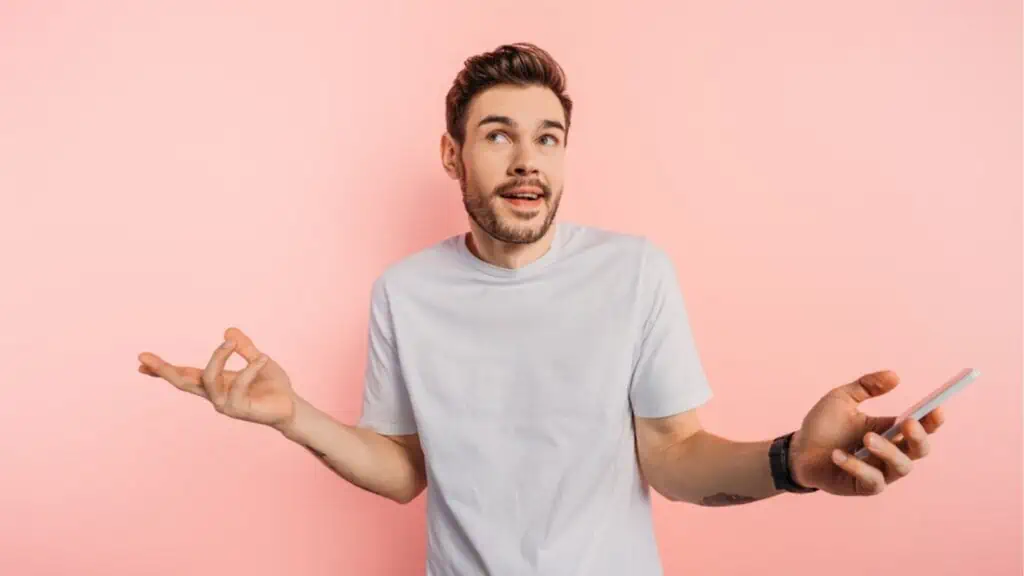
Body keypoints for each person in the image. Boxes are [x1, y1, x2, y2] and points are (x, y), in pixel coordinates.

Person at [138, 43, 946, 575]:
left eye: (549, 137)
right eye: (498, 135)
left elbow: (672, 455)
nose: (528, 161)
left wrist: (792, 463)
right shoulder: (404, 292)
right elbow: (404, 472)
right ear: (452, 154)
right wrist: (292, 416)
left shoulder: (635, 272)